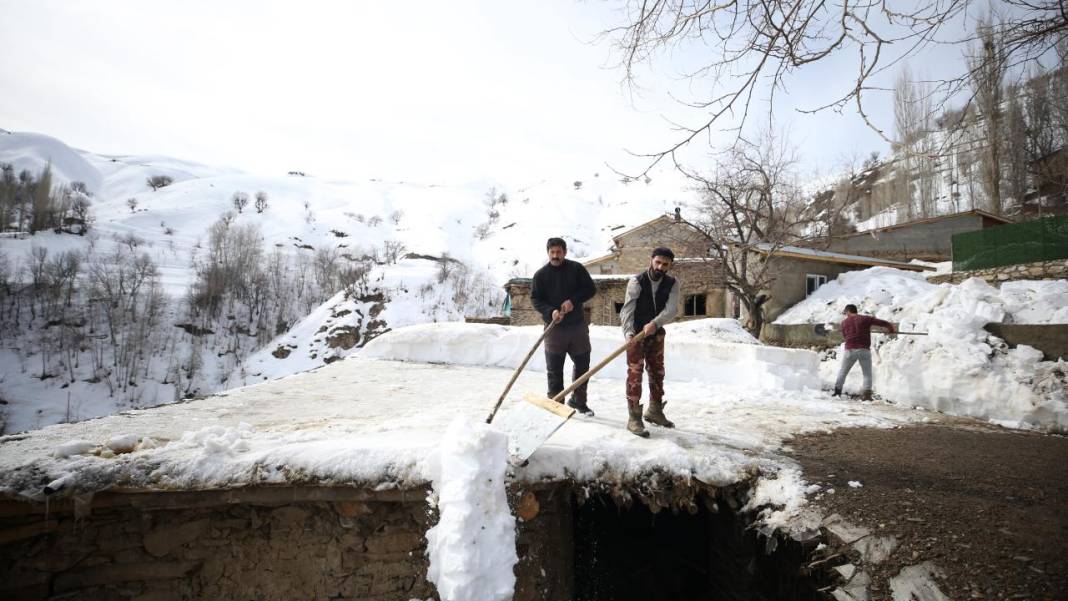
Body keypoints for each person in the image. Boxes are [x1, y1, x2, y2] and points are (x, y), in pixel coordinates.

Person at [530, 237, 597, 415]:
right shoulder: (541, 275)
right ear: (548, 253)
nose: (555, 255)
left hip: (577, 327)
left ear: (565, 252)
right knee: (554, 368)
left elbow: (591, 289)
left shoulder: (576, 269)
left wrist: (573, 301)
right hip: (554, 329)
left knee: (583, 365)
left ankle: (578, 401)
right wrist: (550, 311)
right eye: (552, 252)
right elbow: (535, 299)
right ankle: (556, 402)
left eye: (559, 252)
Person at [618, 247, 679, 437]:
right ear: (651, 260)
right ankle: (634, 418)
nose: (660, 267)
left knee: (657, 372)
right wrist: (628, 334)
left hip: (656, 333)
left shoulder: (673, 283)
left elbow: (671, 309)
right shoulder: (636, 281)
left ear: (670, 265)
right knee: (635, 374)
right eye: (657, 262)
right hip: (636, 334)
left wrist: (655, 323)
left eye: (665, 264)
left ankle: (655, 411)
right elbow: (627, 310)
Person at [833, 304, 896, 400]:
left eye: (846, 312)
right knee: (867, 373)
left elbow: (846, 336)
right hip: (864, 350)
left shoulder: (844, 323)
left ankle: (837, 392)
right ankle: (867, 395)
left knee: (843, 372)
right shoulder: (865, 319)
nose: (846, 314)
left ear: (849, 311)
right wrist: (890, 328)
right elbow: (881, 322)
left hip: (849, 350)